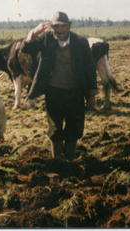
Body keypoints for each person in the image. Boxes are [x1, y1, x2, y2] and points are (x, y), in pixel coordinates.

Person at [22, 11, 98, 161]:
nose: (59, 31)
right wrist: (33, 33)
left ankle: (69, 159)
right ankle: (57, 160)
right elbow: (27, 49)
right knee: (55, 128)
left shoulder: (80, 42)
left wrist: (92, 94)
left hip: (75, 93)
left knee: (73, 128)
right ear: (52, 29)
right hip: (53, 92)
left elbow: (90, 69)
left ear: (69, 27)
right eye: (56, 27)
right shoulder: (46, 39)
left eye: (62, 26)